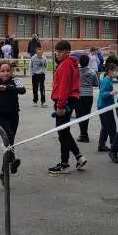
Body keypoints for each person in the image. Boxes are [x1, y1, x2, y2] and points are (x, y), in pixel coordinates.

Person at [48, 40, 87, 174]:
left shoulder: (66, 64)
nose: (57, 54)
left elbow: (64, 86)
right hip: (69, 100)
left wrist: (60, 105)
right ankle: (78, 156)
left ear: (66, 52)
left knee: (62, 133)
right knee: (63, 132)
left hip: (64, 100)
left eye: (59, 52)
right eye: (57, 52)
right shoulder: (70, 64)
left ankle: (65, 163)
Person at [75, 54, 99, 143]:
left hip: (79, 95)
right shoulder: (92, 72)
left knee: (79, 115)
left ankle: (83, 134)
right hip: (88, 95)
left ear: (79, 62)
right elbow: (96, 84)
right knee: (86, 115)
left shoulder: (76, 71)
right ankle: (84, 133)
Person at [97, 61, 118, 152]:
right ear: (110, 71)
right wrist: (111, 93)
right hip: (104, 106)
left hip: (106, 106)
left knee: (105, 126)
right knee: (111, 126)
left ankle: (101, 145)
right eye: (115, 71)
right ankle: (114, 146)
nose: (116, 73)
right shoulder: (106, 81)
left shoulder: (109, 80)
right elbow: (103, 95)